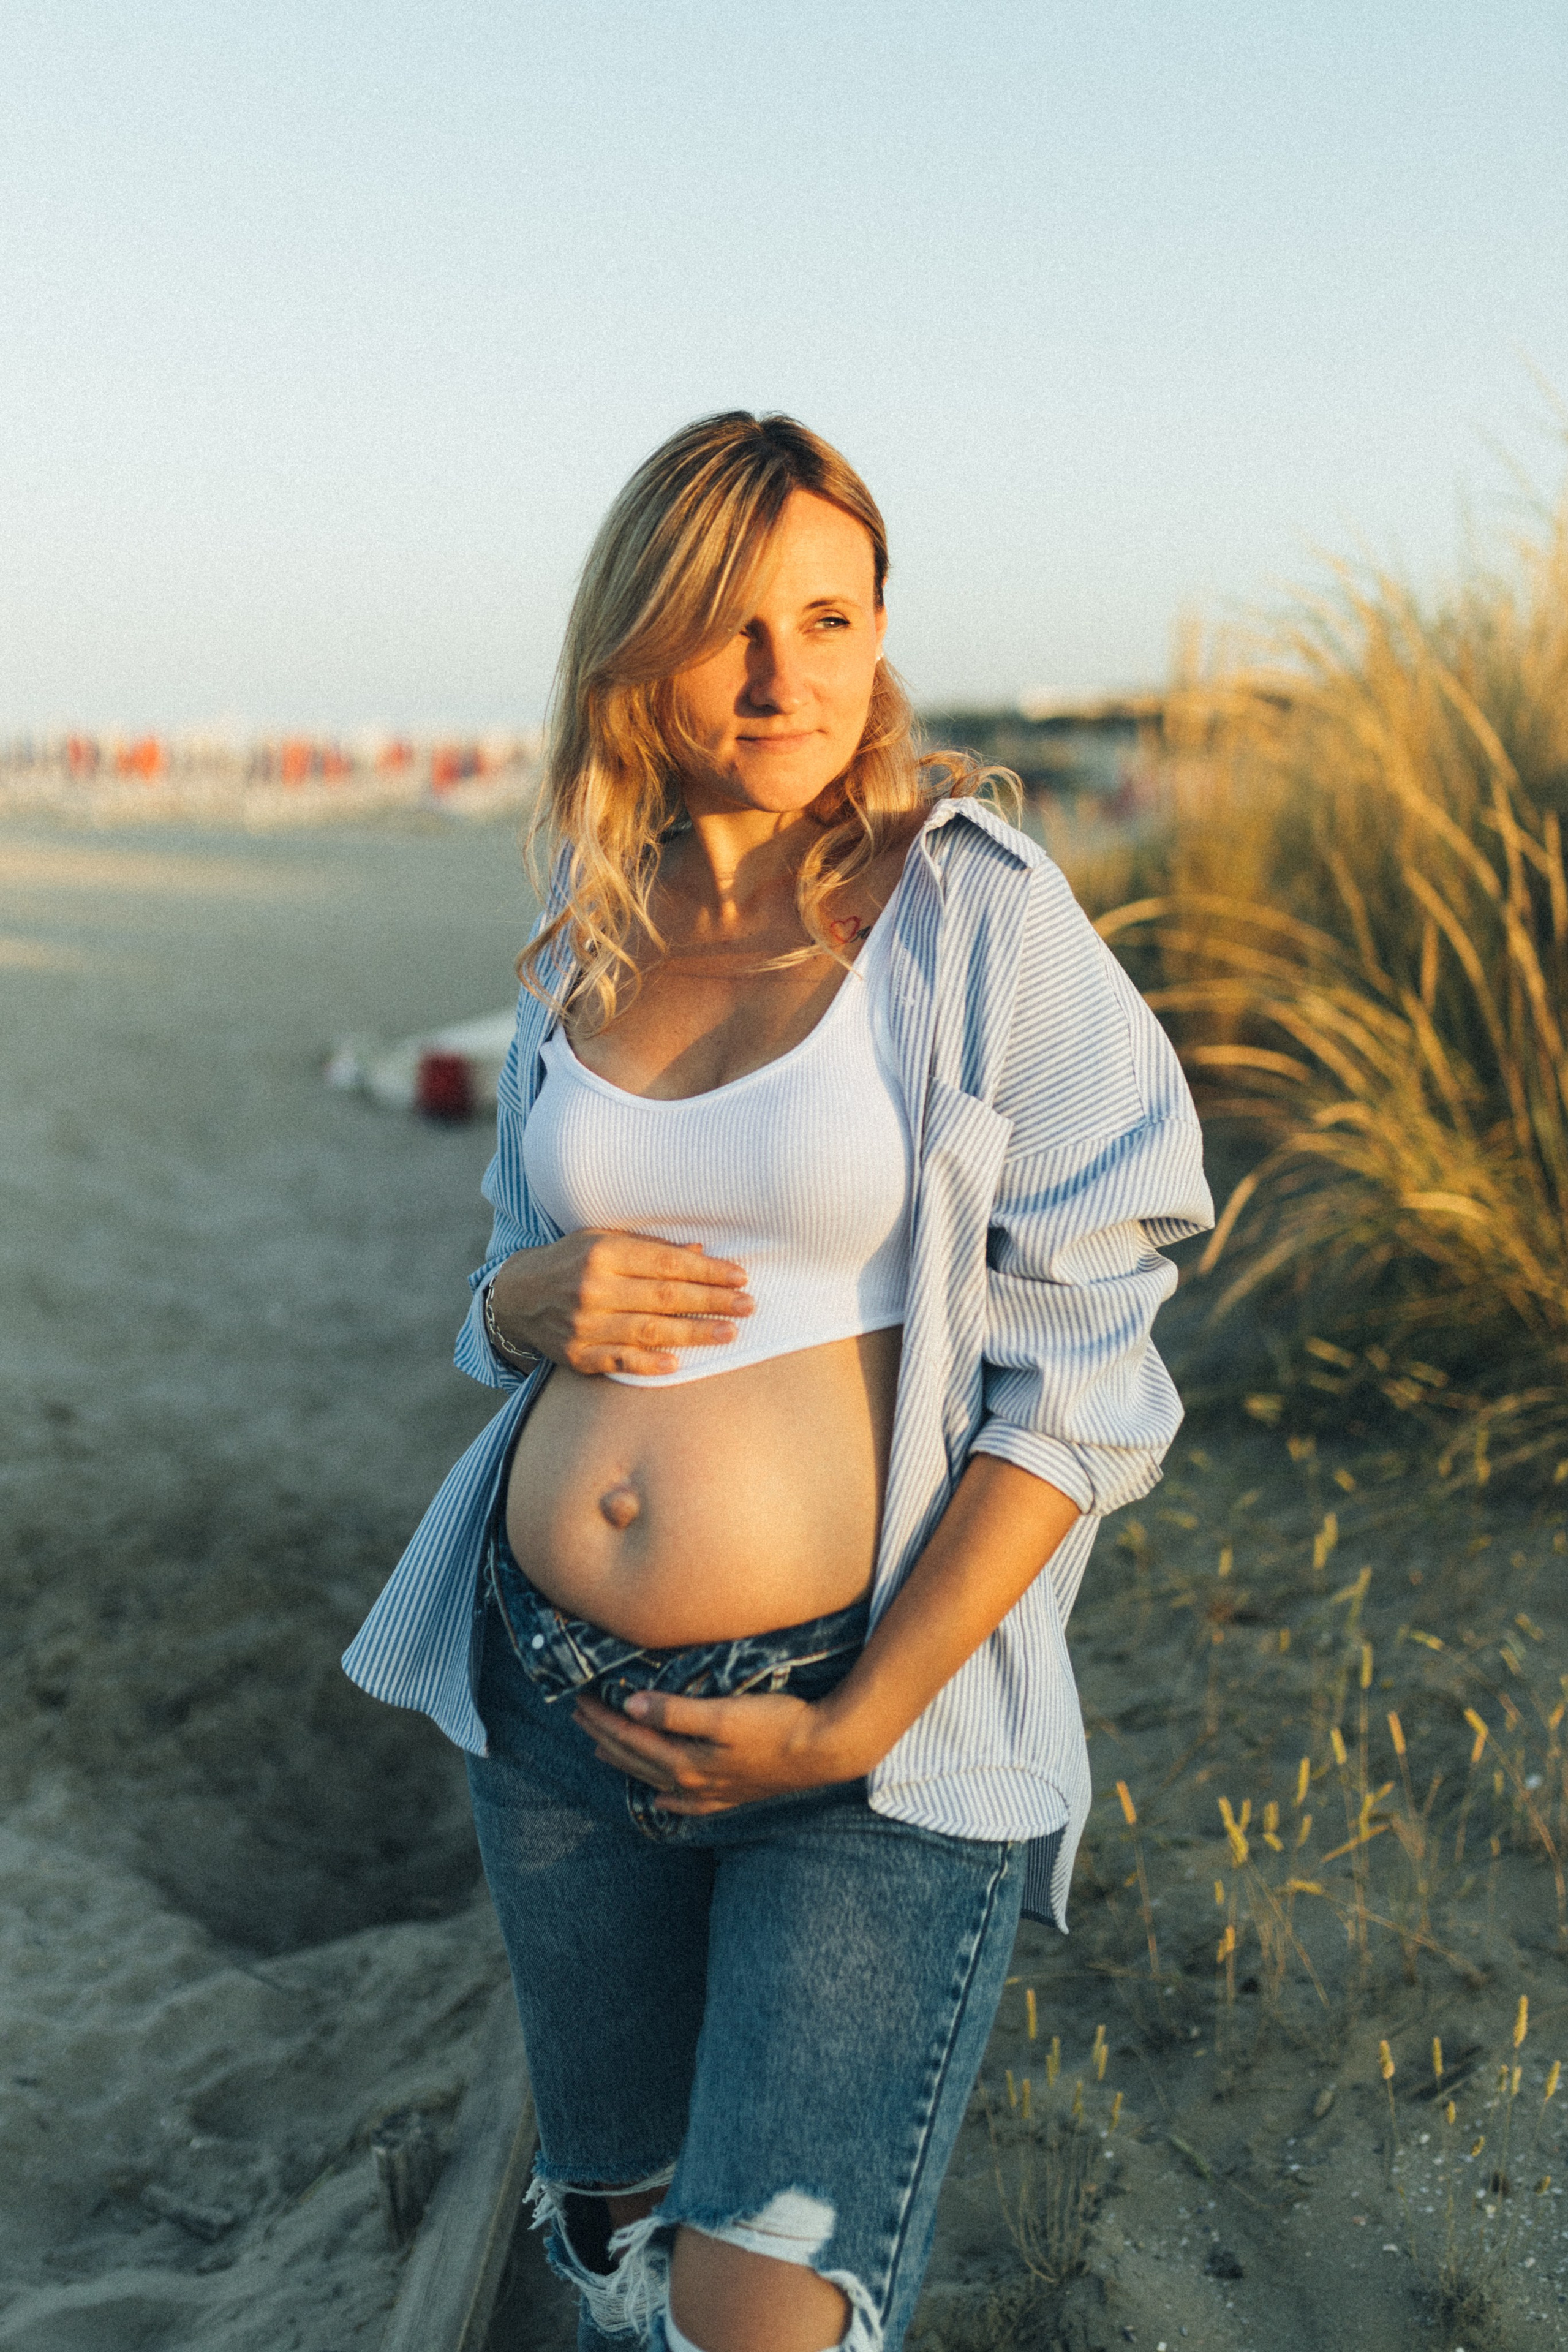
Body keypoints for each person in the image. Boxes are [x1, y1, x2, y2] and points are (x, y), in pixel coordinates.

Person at [344, 412, 1212, 2352]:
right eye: (728, 624)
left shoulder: (973, 915)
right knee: (617, 2228)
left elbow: (1088, 1368)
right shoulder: (586, 926)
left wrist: (856, 1723)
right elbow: (510, 1291)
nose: (782, 676)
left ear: (880, 632)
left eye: (828, 620)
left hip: (859, 1721)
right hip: (557, 1703)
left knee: (761, 2304)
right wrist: (522, 1298)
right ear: (637, 645)